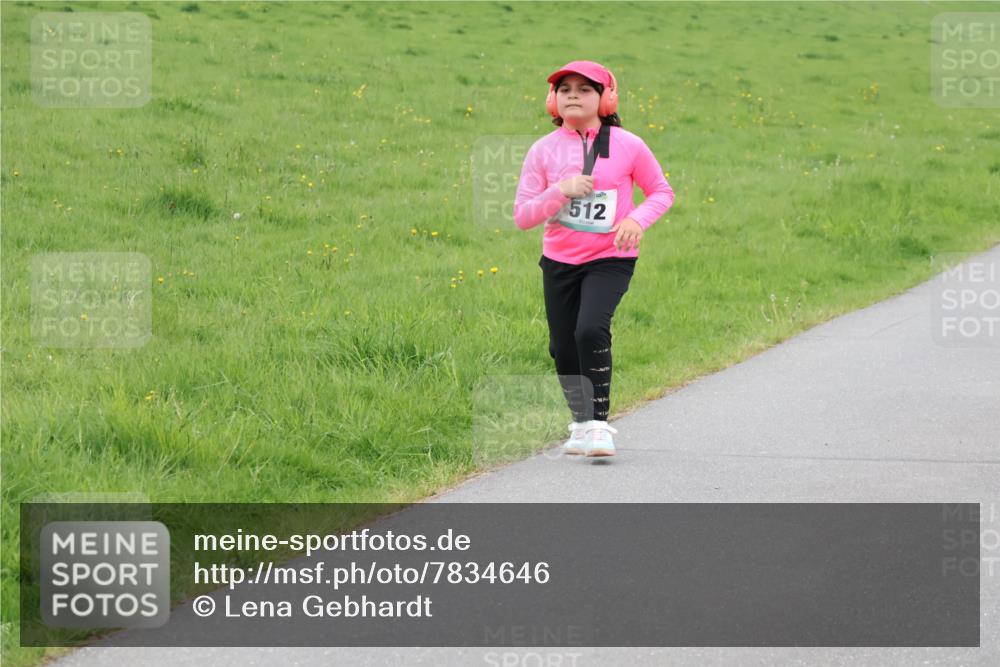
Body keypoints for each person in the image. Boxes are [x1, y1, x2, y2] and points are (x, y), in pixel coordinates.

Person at [513, 60, 675, 458]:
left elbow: (661, 192)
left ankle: (600, 426)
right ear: (553, 100)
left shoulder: (628, 145)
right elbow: (523, 217)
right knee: (563, 346)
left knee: (589, 330)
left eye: (585, 89)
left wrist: (637, 219)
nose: (573, 94)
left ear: (605, 98)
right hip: (559, 260)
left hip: (610, 257)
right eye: (565, 88)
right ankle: (581, 424)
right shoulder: (543, 151)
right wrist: (561, 191)